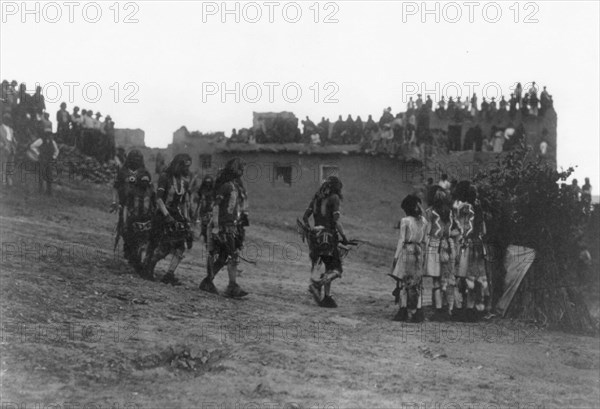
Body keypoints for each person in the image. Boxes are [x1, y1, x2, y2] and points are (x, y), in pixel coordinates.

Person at [199, 158, 249, 298]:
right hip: (222, 226)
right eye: (240, 169)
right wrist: (215, 226)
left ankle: (208, 282)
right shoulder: (226, 186)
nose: (242, 171)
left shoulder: (233, 186)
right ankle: (231, 286)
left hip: (229, 226)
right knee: (231, 255)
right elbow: (216, 206)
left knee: (222, 257)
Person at [143, 154, 193, 284]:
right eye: (185, 166)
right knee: (163, 246)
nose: (187, 169)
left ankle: (169, 274)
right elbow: (159, 199)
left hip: (176, 215)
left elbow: (183, 204)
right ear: (179, 165)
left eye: (189, 166)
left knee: (180, 246)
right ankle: (149, 268)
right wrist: (167, 215)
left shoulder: (184, 182)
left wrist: (186, 219)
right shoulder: (165, 177)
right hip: (162, 214)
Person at [302, 176, 349, 308]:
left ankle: (327, 297)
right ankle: (317, 284)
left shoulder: (317, 198)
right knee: (337, 269)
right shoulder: (334, 198)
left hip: (316, 237)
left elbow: (305, 216)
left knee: (328, 267)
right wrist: (344, 237)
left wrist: (311, 230)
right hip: (328, 237)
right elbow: (336, 221)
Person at [389, 194, 428, 322]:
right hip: (419, 251)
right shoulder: (424, 221)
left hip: (407, 251)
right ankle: (418, 311)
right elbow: (425, 241)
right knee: (417, 283)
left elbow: (401, 240)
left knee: (403, 282)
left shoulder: (405, 221)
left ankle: (403, 310)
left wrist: (395, 257)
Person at [453, 182, 487, 321]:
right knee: (476, 277)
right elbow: (484, 230)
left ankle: (462, 309)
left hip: (466, 244)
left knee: (463, 276)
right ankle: (474, 310)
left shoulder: (462, 207)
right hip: (478, 245)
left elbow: (464, 227)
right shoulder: (478, 207)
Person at [424, 187, 458, 321]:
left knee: (436, 280)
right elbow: (456, 230)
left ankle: (438, 310)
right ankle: (447, 308)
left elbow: (426, 232)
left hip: (434, 246)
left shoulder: (429, 212)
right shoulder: (450, 213)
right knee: (447, 278)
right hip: (448, 246)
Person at [122, 169, 156, 273]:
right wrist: (125, 221)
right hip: (134, 220)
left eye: (147, 181)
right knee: (133, 242)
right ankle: (135, 261)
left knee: (146, 242)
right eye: (143, 181)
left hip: (147, 220)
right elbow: (126, 207)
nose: (145, 183)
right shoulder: (132, 191)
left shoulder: (151, 191)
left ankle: (142, 263)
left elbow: (154, 206)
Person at [30, 131, 59, 195]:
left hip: (49, 160)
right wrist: (38, 153)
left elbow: (57, 150)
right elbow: (32, 146)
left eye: (51, 135)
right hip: (42, 159)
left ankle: (49, 191)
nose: (51, 137)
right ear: (46, 135)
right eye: (49, 135)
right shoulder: (41, 140)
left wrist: (54, 157)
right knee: (41, 174)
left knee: (49, 175)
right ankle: (40, 190)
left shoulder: (53, 142)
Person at [195, 175, 215, 244]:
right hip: (203, 211)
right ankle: (205, 238)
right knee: (204, 227)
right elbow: (199, 201)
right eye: (206, 182)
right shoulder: (202, 190)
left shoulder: (214, 190)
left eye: (209, 182)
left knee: (211, 227)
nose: (208, 184)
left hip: (211, 210)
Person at [0, 113, 17, 186]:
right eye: (6, 118)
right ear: (3, 119)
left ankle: (9, 180)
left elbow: (13, 139)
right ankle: (3, 181)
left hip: (11, 149)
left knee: (10, 165)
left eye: (9, 119)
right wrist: (3, 146)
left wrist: (14, 144)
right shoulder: (0, 128)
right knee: (3, 165)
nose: (8, 120)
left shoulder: (11, 129)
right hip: (3, 149)